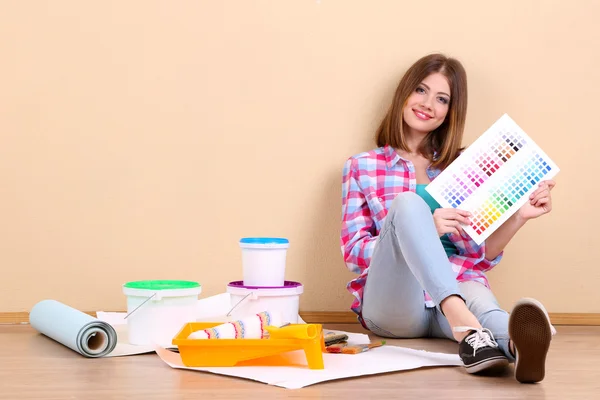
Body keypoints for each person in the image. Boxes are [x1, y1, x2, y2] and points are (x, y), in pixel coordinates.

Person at [340, 53, 556, 383]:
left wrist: (519, 217)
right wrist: (421, 228)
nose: (428, 104)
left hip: (457, 283)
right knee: (408, 204)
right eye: (421, 91)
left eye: (442, 99)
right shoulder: (362, 166)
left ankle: (514, 345)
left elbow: (478, 256)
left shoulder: (468, 167)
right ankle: (469, 327)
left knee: (488, 312)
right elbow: (355, 254)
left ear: (450, 112)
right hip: (396, 305)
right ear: (405, 94)